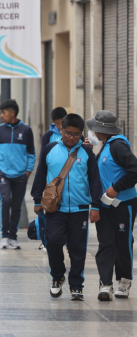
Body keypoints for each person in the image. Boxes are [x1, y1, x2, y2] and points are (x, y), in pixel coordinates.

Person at [30, 114, 102, 301]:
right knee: (52, 242)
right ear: (61, 130)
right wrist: (37, 201)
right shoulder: (50, 149)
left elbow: (95, 181)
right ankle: (57, 276)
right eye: (68, 133)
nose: (71, 137)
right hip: (55, 209)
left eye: (76, 134)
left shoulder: (87, 153)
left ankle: (77, 285)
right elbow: (40, 175)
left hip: (79, 210)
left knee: (78, 249)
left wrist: (95, 205)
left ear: (81, 134)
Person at [85, 111, 137, 300]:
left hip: (123, 204)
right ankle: (105, 283)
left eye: (94, 128)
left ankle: (124, 281)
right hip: (104, 206)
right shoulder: (105, 146)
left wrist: (117, 187)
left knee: (123, 243)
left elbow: (134, 170)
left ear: (102, 130)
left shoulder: (118, 146)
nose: (91, 132)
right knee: (106, 243)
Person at [0, 99, 36, 249]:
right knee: (6, 201)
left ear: (12, 113)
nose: (1, 116)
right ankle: (4, 236)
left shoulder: (26, 130)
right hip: (3, 174)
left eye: (3, 113)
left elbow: (31, 154)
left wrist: (27, 172)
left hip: (21, 175)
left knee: (16, 205)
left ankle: (13, 236)